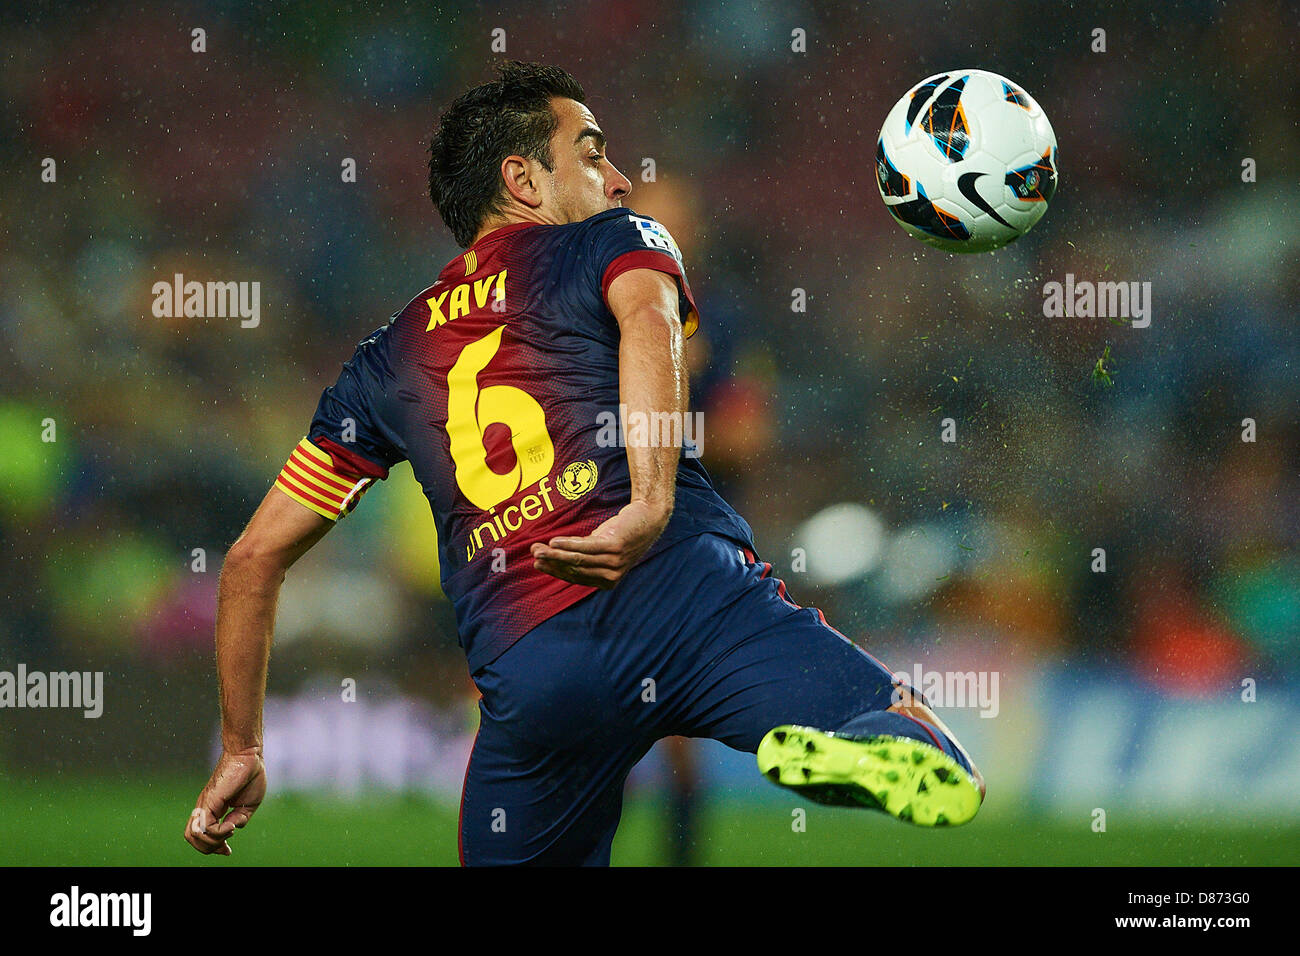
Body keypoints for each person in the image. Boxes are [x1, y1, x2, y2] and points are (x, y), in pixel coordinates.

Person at [184, 60, 985, 866]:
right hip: (685, 597)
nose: (622, 179)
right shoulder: (614, 242)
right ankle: (853, 749)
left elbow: (253, 560)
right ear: (523, 179)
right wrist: (649, 501)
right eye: (594, 153)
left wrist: (244, 748)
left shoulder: (385, 358)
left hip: (533, 668)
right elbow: (649, 317)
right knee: (935, 754)